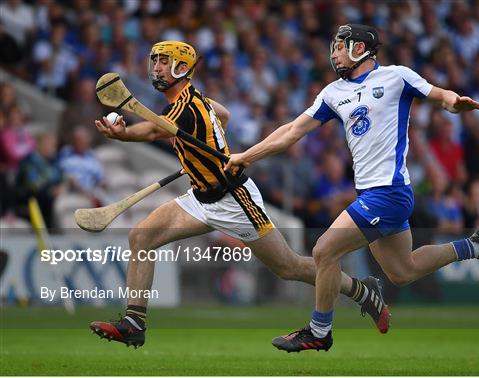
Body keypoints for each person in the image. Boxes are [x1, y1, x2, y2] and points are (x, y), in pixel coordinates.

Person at [225, 24, 479, 353]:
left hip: (389, 192)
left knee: (323, 251)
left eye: (339, 46)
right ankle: (476, 246)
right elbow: (291, 131)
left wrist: (453, 102)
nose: (333, 53)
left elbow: (439, 94)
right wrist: (246, 156)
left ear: (360, 48)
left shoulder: (396, 76)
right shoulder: (333, 92)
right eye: (332, 46)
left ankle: (320, 330)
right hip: (370, 195)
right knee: (402, 271)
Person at [89, 41, 386, 349]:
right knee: (141, 236)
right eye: (155, 61)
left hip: (234, 200)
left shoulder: (185, 107)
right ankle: (134, 323)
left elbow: (154, 131)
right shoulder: (194, 99)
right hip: (200, 197)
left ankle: (362, 291)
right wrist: (202, 157)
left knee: (289, 267)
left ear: (181, 68)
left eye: (164, 62)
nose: (156, 67)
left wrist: (124, 134)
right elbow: (224, 114)